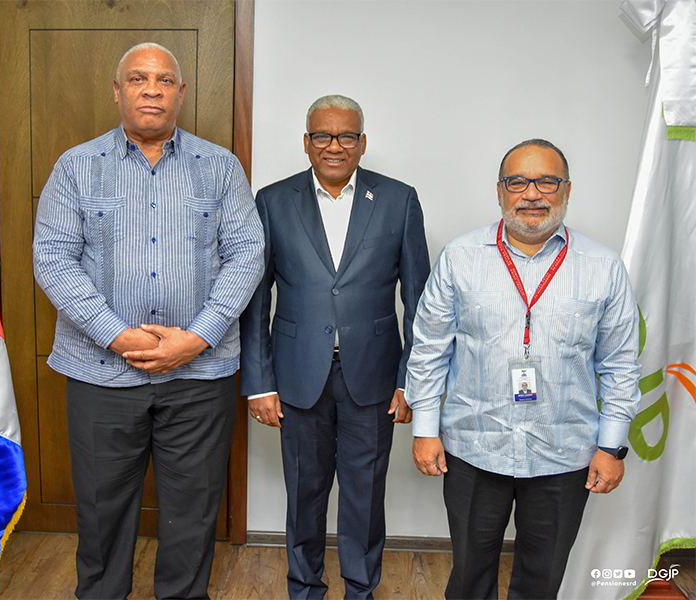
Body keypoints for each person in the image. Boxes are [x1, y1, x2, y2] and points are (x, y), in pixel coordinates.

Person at [33, 42, 264, 600]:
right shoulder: (76, 165)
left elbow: (247, 253)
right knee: (101, 511)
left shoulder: (220, 167)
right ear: (118, 91)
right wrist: (118, 334)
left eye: (164, 80)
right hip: (100, 374)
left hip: (198, 376)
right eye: (138, 79)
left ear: (181, 93)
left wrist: (199, 336)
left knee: (193, 512)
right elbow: (52, 258)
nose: (152, 89)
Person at [405, 139, 642, 599]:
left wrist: (612, 446)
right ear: (500, 191)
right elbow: (430, 348)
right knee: (470, 574)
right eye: (518, 182)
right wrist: (426, 429)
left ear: (567, 190)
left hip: (564, 452)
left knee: (542, 577)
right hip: (474, 447)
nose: (532, 194)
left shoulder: (603, 266)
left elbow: (618, 362)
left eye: (546, 181)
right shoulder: (460, 257)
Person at [240, 95, 430, 599]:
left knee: (365, 498)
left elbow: (420, 301)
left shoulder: (398, 199)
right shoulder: (273, 201)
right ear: (306, 143)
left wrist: (411, 378)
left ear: (363, 143)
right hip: (298, 374)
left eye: (347, 136)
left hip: (373, 377)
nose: (334, 145)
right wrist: (259, 383)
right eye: (322, 135)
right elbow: (257, 300)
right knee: (304, 493)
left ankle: (360, 590)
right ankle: (304, 588)